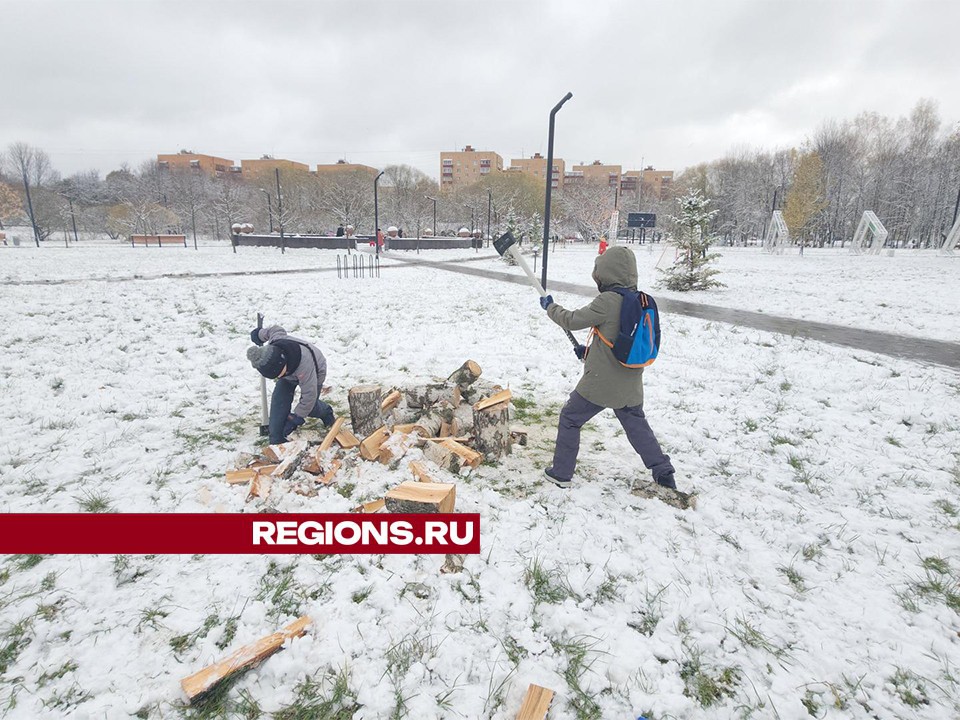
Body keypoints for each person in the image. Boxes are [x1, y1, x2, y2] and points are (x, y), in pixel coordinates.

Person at [539, 245, 676, 490]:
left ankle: (561, 474)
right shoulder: (640, 300)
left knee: (570, 417)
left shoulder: (608, 300)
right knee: (637, 426)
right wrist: (589, 352)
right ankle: (663, 471)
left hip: (601, 383)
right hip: (631, 382)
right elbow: (619, 340)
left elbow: (571, 320)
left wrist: (550, 307)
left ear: (606, 272)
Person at [247, 324, 335, 445]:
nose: (278, 377)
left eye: (278, 374)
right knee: (279, 400)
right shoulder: (276, 341)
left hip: (316, 370)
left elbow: (309, 395)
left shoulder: (305, 365)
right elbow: (276, 330)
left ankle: (326, 411)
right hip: (290, 373)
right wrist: (260, 334)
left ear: (282, 363)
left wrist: (295, 419)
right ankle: (277, 440)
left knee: (310, 407)